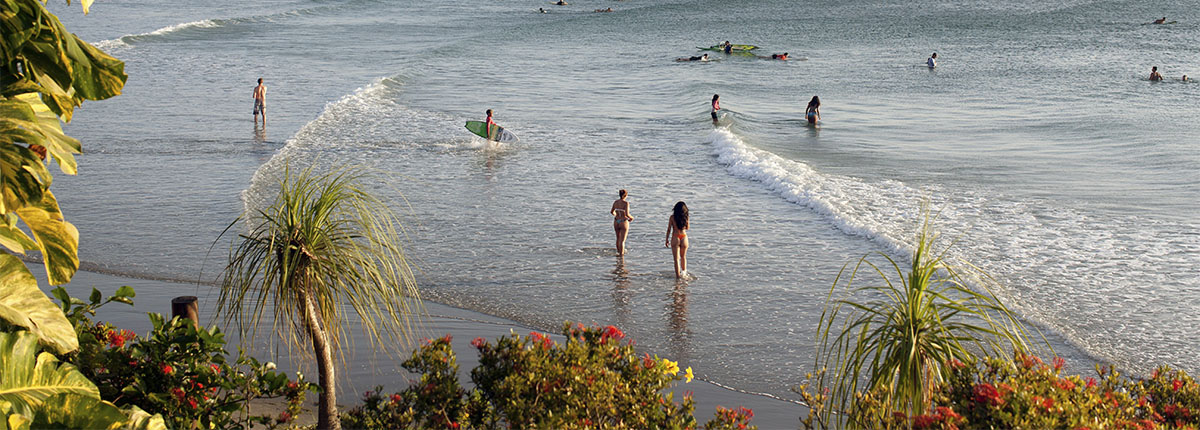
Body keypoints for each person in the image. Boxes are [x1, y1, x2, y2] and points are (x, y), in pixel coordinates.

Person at [665, 201, 689, 278]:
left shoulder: (672, 217)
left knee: (676, 259)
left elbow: (669, 229)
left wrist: (666, 239)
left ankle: (678, 277)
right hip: (684, 236)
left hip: (675, 236)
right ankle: (684, 274)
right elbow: (687, 227)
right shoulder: (686, 217)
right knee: (683, 257)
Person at [610, 190, 634, 256]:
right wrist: (632, 218)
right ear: (625, 195)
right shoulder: (626, 203)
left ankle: (618, 252)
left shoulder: (615, 202)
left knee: (618, 238)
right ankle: (621, 255)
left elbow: (612, 212)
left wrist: (616, 215)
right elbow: (627, 214)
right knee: (622, 240)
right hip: (623, 222)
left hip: (616, 221)